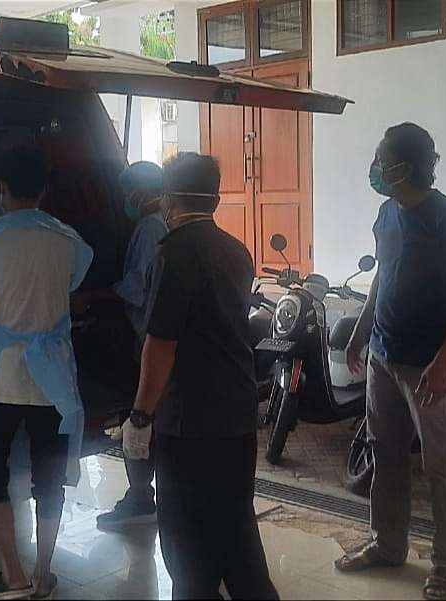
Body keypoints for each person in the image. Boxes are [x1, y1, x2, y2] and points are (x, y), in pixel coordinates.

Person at [121, 152, 279, 600]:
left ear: (168, 198)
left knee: (186, 537)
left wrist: (139, 417)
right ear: (215, 197)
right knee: (235, 526)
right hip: (235, 413)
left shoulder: (173, 254)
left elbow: (162, 343)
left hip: (189, 420)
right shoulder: (236, 249)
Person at [334, 123, 446, 601]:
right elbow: (383, 277)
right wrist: (361, 331)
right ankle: (387, 544)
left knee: (441, 465)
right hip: (382, 355)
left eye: (382, 159)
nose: (375, 168)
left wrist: (443, 364)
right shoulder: (386, 213)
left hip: (428, 367)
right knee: (386, 453)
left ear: (405, 166)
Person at [0, 146, 94, 601]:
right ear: (44, 190)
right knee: (48, 475)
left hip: (0, 376)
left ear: (0, 190)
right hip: (54, 379)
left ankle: (13, 573)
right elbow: (71, 285)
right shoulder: (71, 242)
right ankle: (45, 572)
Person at [75, 161, 168, 531]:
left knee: (140, 418)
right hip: (153, 334)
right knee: (151, 418)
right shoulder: (160, 222)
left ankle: (141, 495)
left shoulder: (148, 227)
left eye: (127, 191)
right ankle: (149, 494)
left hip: (147, 337)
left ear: (141, 192)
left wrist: (92, 298)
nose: (123, 199)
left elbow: (136, 285)